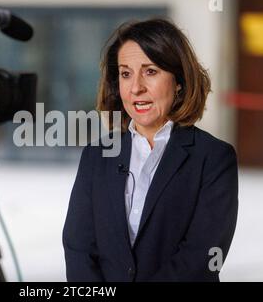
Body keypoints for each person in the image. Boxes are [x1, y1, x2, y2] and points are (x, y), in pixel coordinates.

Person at [62, 19, 238, 282]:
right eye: (125, 73)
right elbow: (78, 249)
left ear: (179, 81)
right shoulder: (96, 155)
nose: (135, 88)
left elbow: (203, 255)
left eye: (150, 71)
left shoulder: (214, 158)